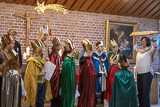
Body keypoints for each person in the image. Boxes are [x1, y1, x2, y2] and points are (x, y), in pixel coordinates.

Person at [23, 39, 52, 107]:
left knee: (41, 101)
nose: (44, 50)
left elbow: (48, 69)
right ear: (39, 49)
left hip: (43, 83)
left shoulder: (43, 59)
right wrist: (39, 74)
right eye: (42, 48)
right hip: (36, 84)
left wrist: (48, 61)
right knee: (34, 101)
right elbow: (30, 74)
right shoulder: (32, 61)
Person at [133, 35, 157, 107]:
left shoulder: (149, 50)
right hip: (139, 73)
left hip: (147, 73)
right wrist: (134, 37)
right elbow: (134, 46)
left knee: (145, 93)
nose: (142, 42)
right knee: (140, 92)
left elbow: (155, 46)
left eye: (144, 41)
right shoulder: (139, 51)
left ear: (147, 42)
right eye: (142, 41)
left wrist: (152, 38)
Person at [0, 34, 22, 107]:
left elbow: (17, 64)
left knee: (14, 98)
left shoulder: (13, 52)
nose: (14, 45)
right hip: (5, 79)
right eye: (12, 43)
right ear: (7, 44)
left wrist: (18, 69)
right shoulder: (2, 53)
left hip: (14, 78)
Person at [78, 38, 97, 107]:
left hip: (83, 85)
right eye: (92, 52)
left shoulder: (82, 61)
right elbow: (93, 75)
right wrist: (97, 75)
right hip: (89, 86)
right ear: (89, 51)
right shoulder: (89, 62)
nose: (92, 54)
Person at [61, 39, 76, 107]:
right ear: (72, 50)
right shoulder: (69, 61)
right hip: (68, 85)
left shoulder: (67, 60)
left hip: (68, 84)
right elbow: (71, 76)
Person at [92, 41, 108, 105]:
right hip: (97, 73)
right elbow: (93, 65)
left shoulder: (104, 55)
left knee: (103, 86)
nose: (102, 47)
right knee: (96, 85)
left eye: (102, 46)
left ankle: (102, 100)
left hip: (103, 73)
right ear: (97, 47)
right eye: (101, 46)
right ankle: (95, 100)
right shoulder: (94, 55)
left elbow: (106, 64)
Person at [49, 37, 61, 107]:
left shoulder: (57, 54)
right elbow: (53, 67)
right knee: (54, 92)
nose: (60, 46)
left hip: (58, 76)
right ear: (55, 46)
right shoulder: (53, 55)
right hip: (54, 77)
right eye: (59, 45)